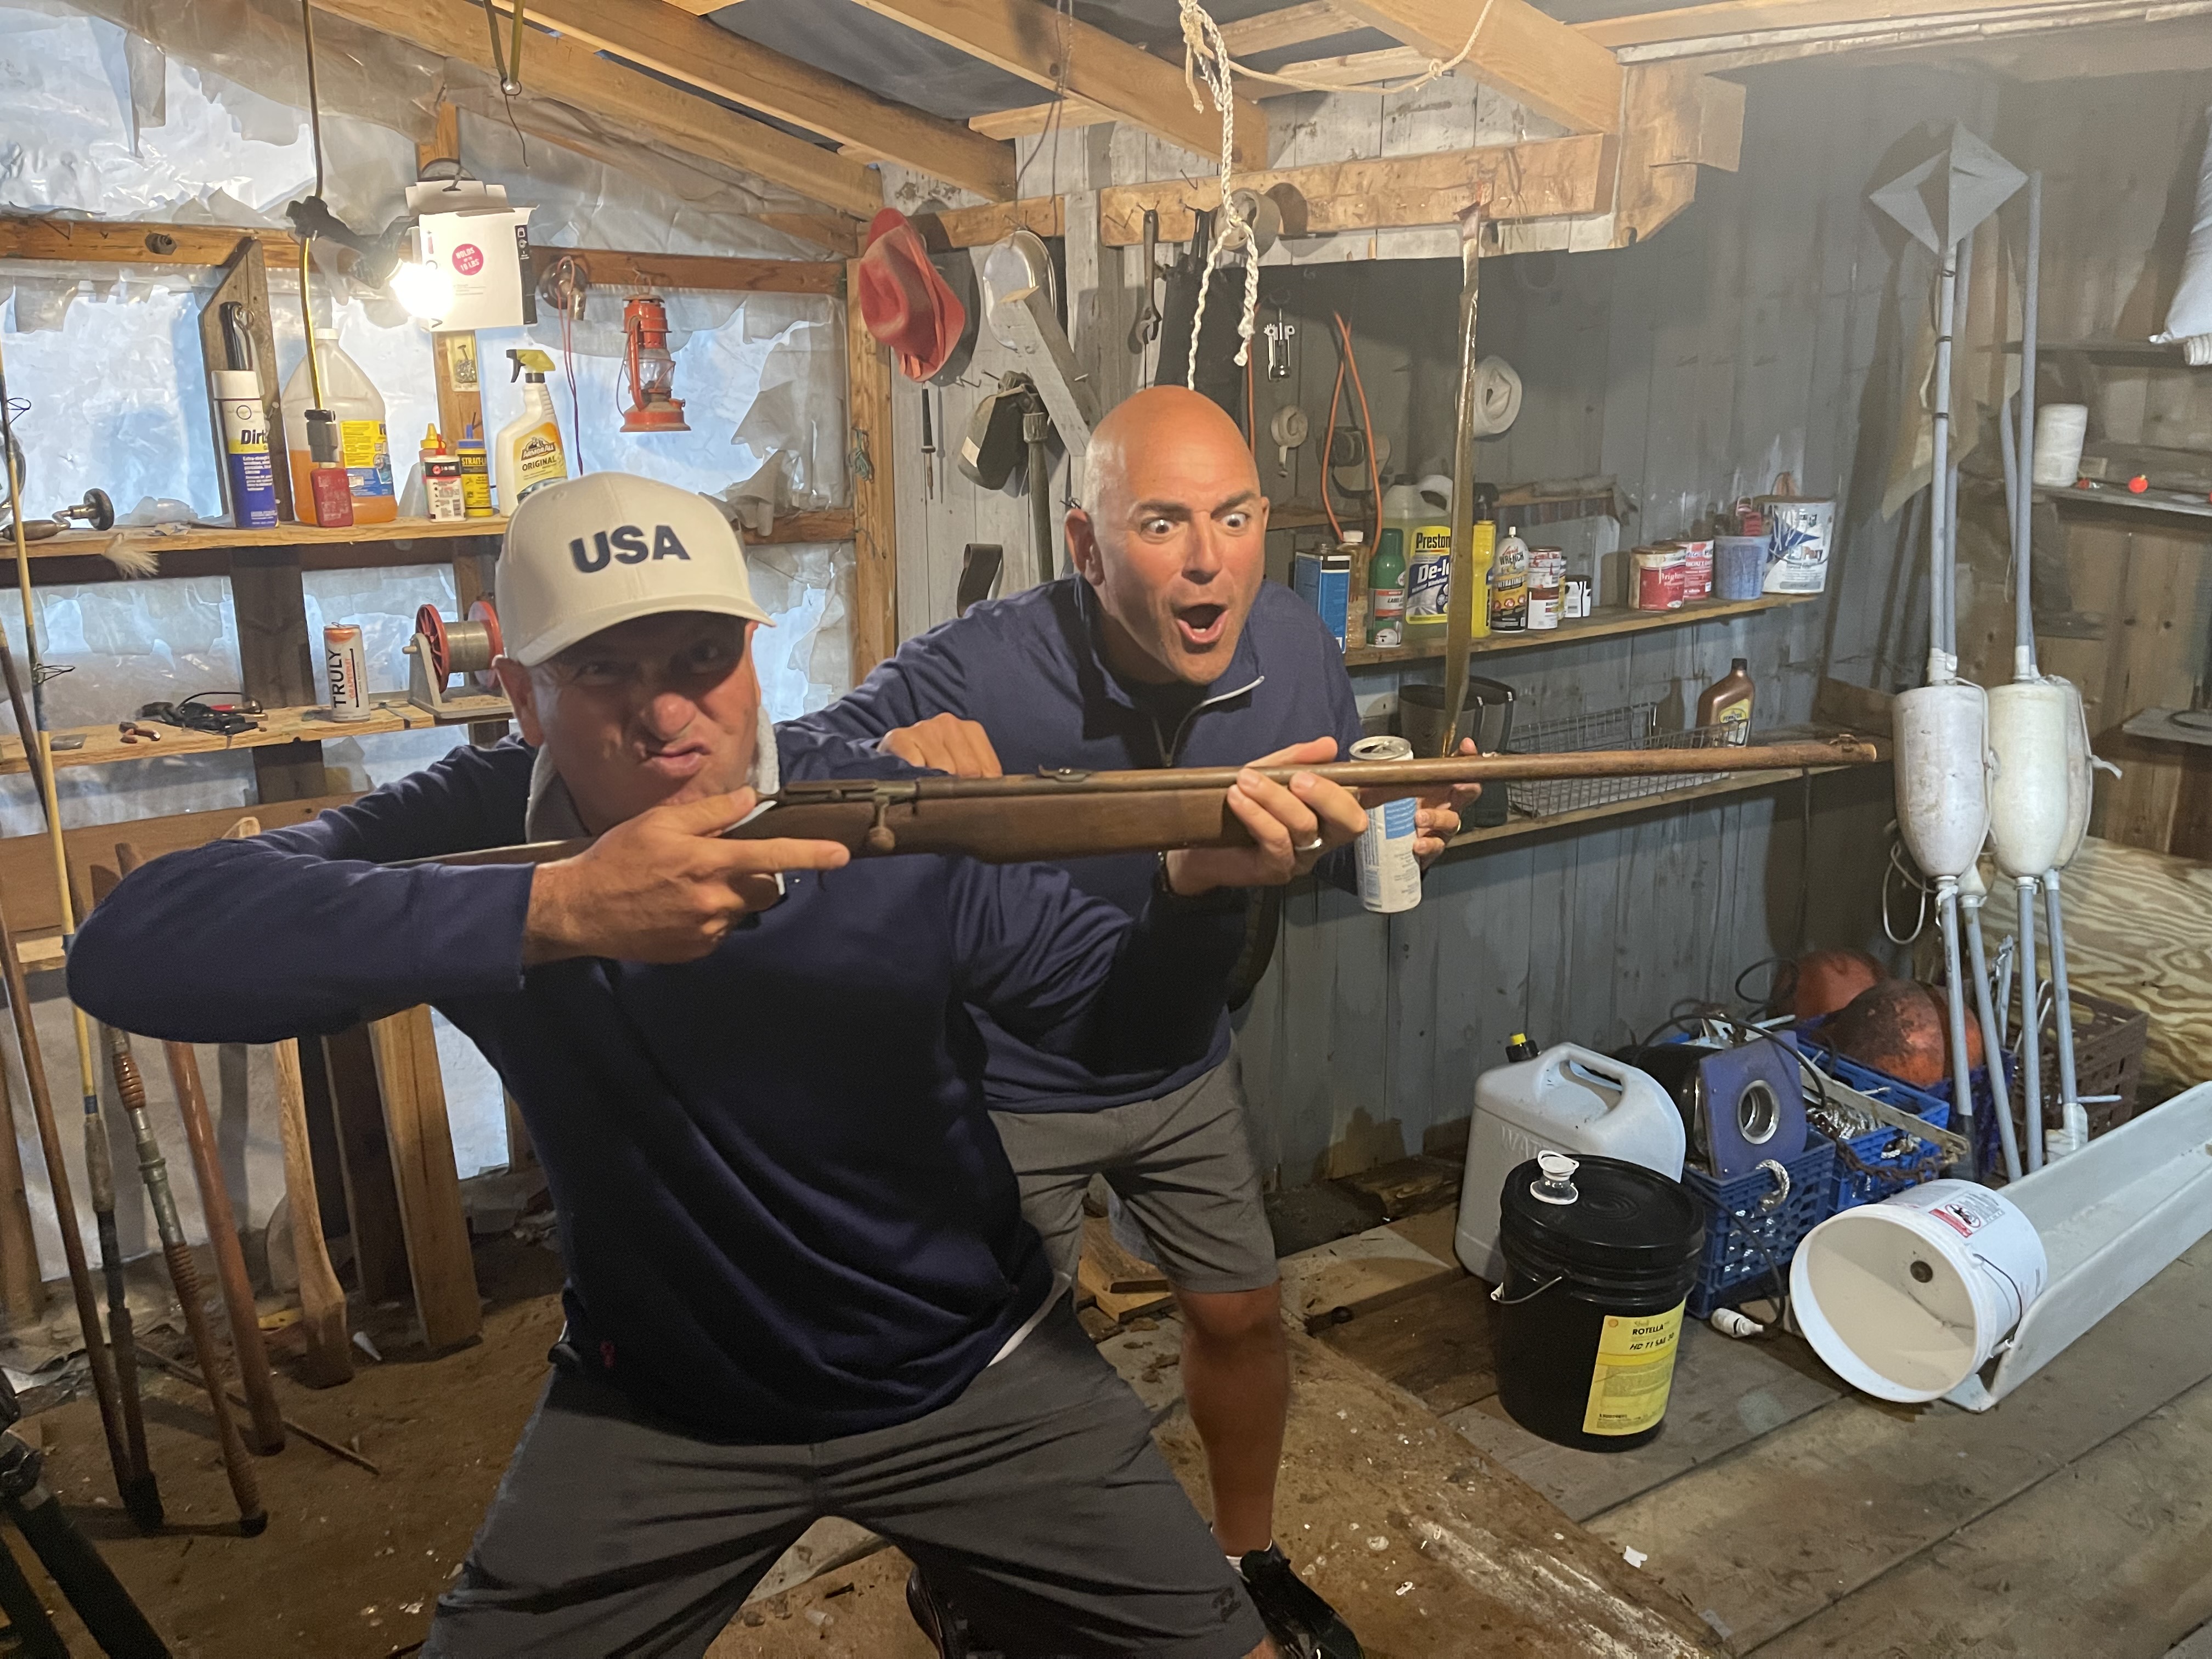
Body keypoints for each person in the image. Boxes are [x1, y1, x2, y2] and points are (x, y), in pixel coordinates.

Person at [68, 473, 1373, 1659]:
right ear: (521, 693)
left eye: (704, 656)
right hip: (659, 1409)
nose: (668, 712)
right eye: (604, 670)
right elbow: (135, 948)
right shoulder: (478, 820)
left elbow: (1119, 1032)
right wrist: (557, 910)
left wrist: (1199, 892)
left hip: (968, 1374)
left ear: (756, 653)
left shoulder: (878, 811)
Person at [782, 386, 1476, 1659]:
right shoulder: (986, 663)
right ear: (1086, 546)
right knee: (996, 1375)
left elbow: (1311, 833)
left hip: (1182, 1058)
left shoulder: (1292, 648)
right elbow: (791, 759)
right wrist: (890, 756)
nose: (1209, 559)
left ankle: (1250, 1558)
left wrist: (1378, 832)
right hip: (1005, 1083)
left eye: (1235, 517)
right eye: (1162, 524)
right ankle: (968, 1583)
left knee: (1240, 1313)